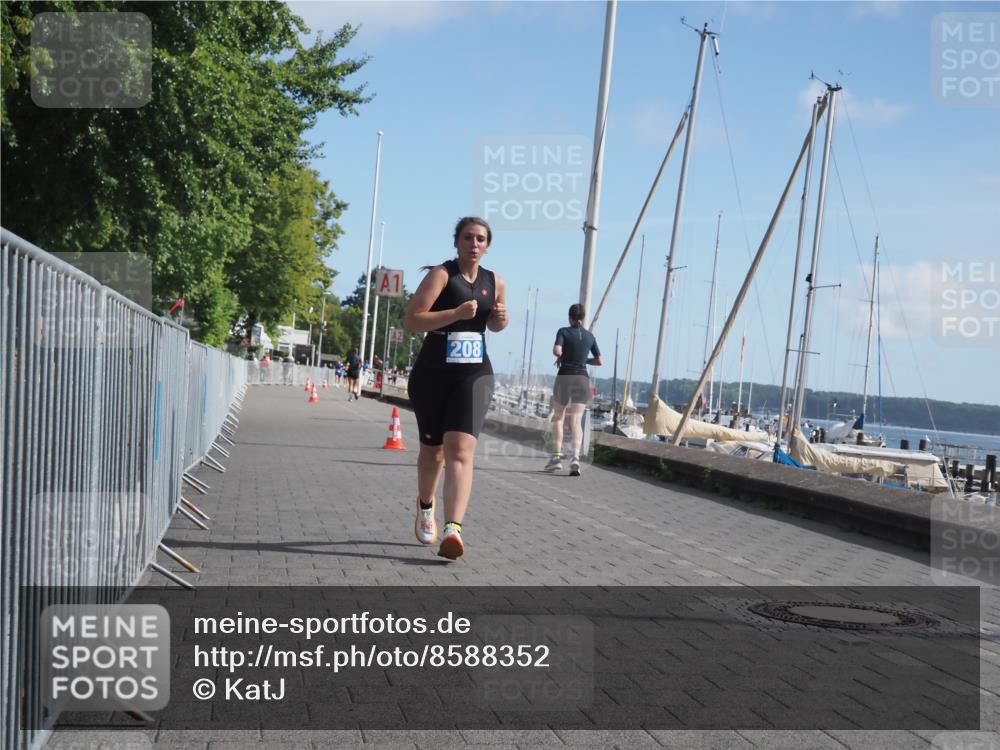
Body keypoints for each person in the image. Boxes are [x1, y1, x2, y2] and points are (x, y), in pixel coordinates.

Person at [404, 217, 508, 560]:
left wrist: (499, 320)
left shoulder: (495, 282)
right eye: (468, 237)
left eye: (480, 239)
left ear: (487, 245)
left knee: (461, 449)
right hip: (433, 372)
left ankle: (454, 528)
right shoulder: (441, 275)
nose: (474, 244)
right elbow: (413, 320)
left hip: (474, 373)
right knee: (432, 451)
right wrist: (456, 312)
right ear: (457, 242)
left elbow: (493, 325)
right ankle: (425, 505)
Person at [544, 303, 602, 476]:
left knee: (558, 418)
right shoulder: (590, 336)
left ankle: (556, 458)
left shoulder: (563, 331)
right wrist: (584, 360)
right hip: (582, 378)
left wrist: (562, 356)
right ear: (583, 318)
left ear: (569, 317)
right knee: (576, 420)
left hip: (565, 376)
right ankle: (575, 458)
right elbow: (599, 361)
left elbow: (557, 350)